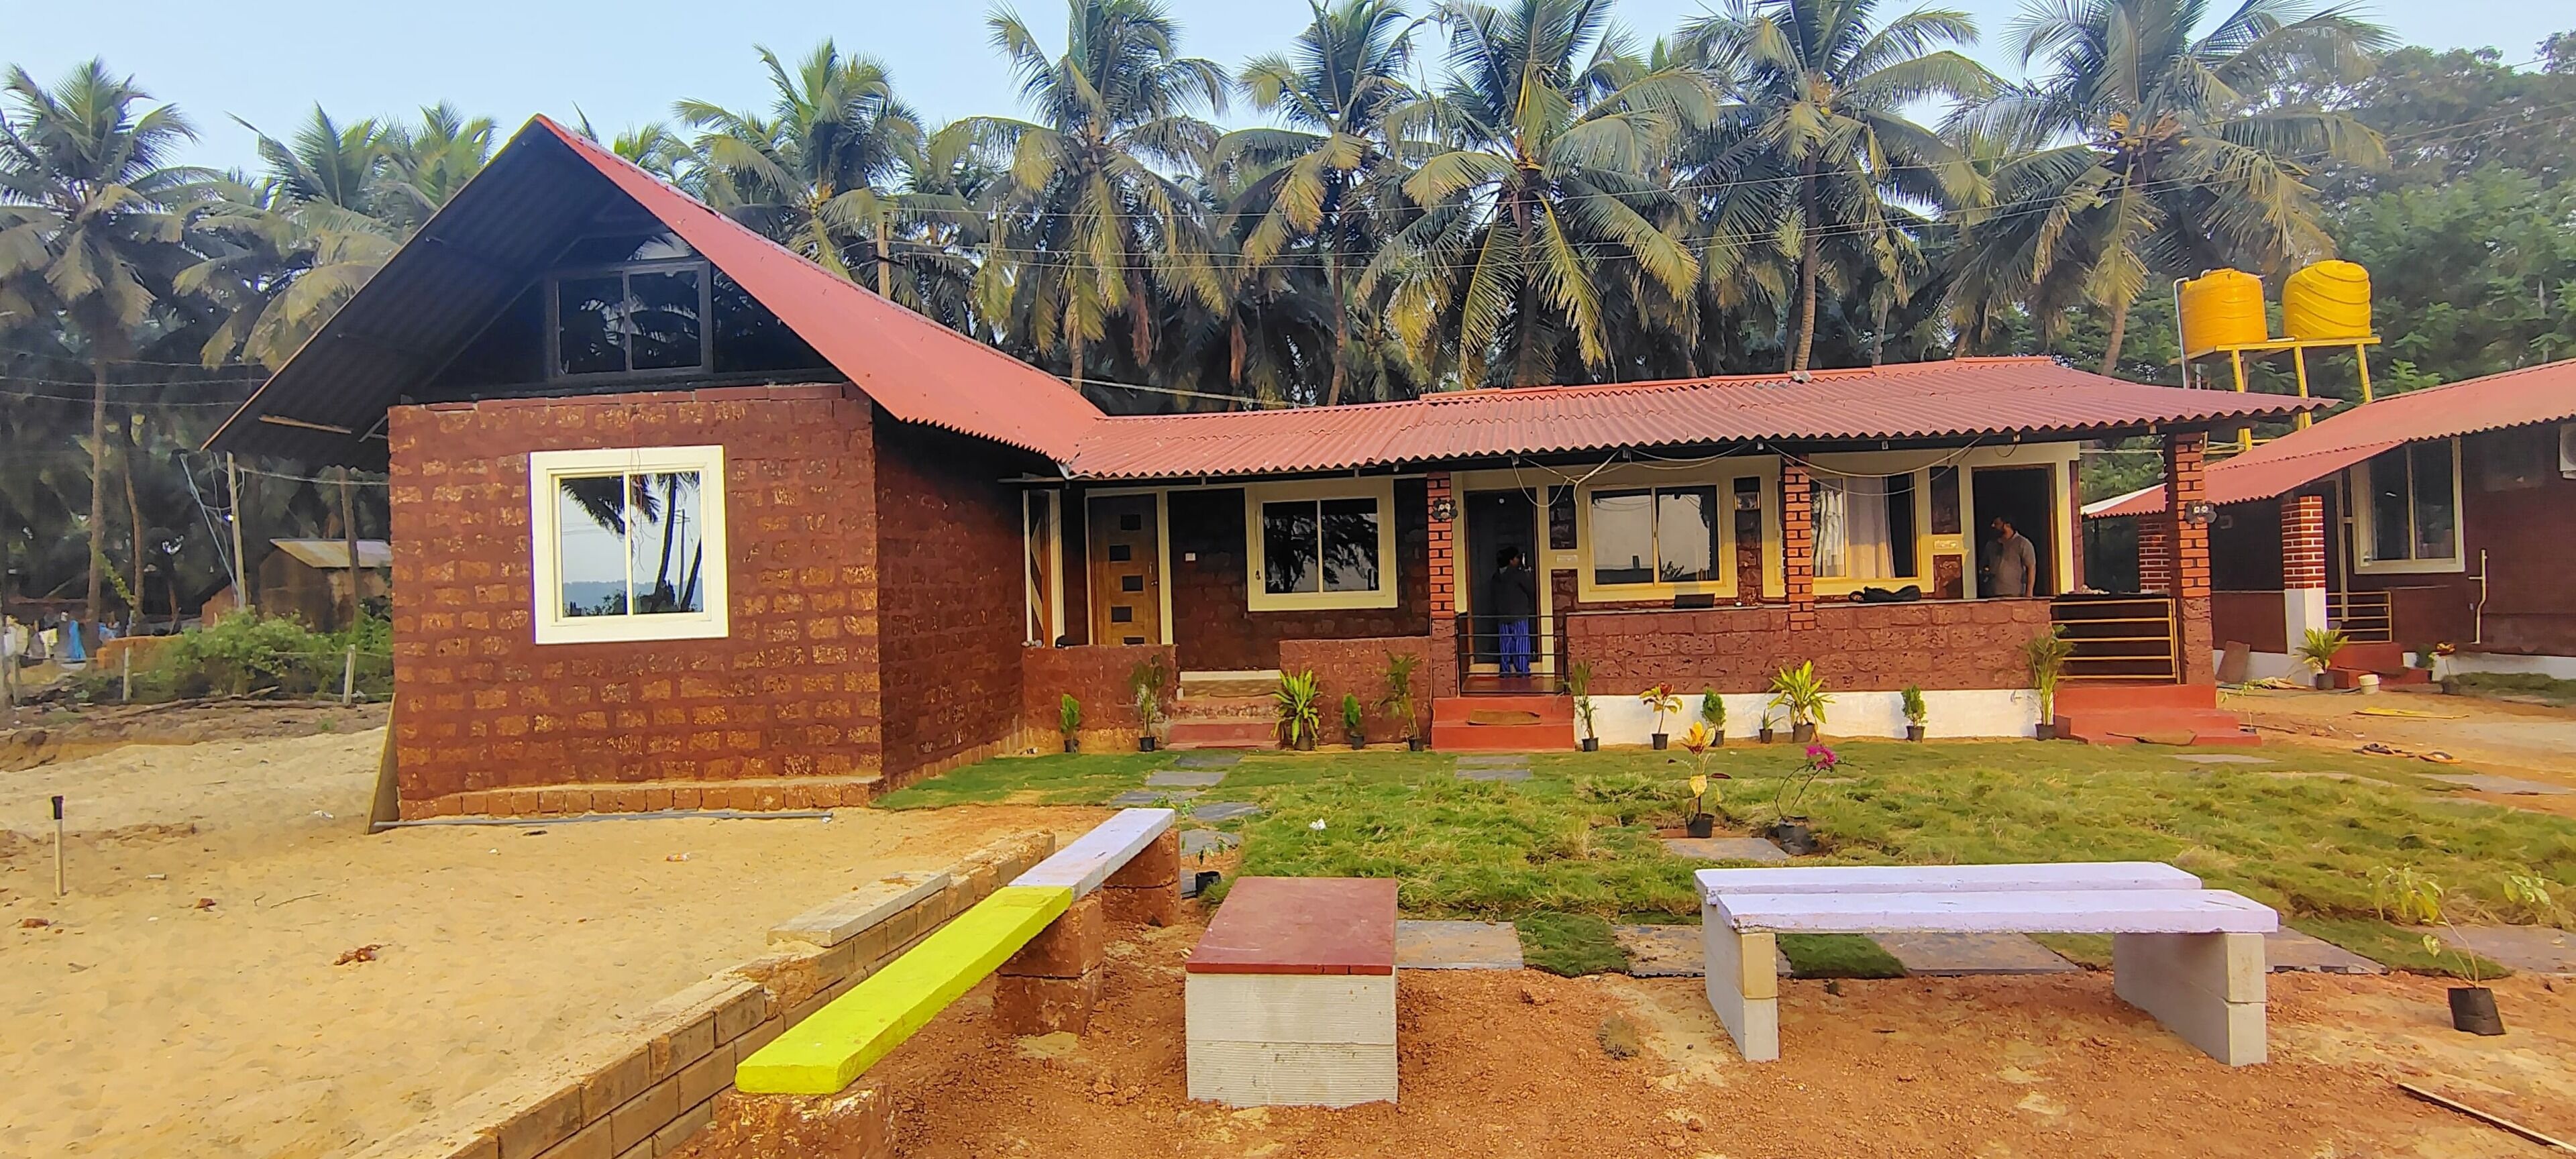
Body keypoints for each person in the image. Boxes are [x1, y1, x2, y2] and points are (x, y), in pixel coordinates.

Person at [1489, 546, 1538, 678]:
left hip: (1502, 615)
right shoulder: (1518, 574)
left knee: (1505, 643)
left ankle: (1505, 671)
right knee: (1521, 642)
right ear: (1511, 560)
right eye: (1517, 558)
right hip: (1519, 614)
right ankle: (1522, 670)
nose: (1518, 560)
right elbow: (1531, 589)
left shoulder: (1496, 577)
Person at [1984, 514, 2037, 597]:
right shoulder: (1991, 544)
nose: (1993, 526)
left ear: (2006, 526)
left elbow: (2031, 567)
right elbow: (1984, 564)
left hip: (2015, 595)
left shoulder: (2023, 543)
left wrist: (2029, 594)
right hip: (1993, 595)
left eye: (1996, 524)